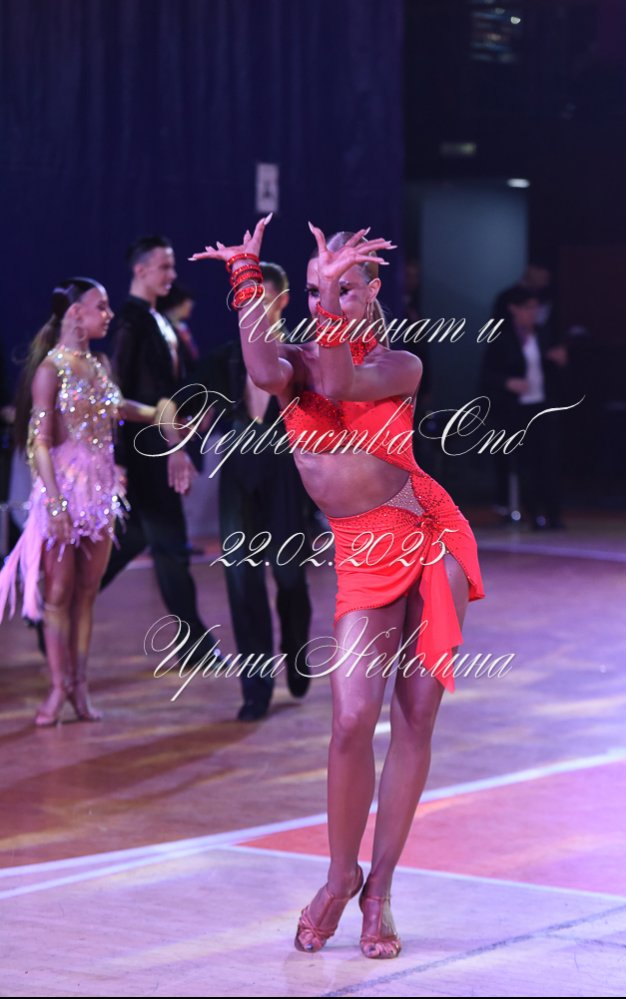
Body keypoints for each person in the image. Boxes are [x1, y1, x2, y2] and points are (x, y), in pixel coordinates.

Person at [190, 216, 485, 959]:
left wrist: (322, 299)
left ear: (372, 291)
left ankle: (378, 891)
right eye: (319, 289)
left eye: (345, 288)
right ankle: (339, 874)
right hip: (362, 552)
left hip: (426, 537)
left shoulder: (399, 364)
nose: (330, 299)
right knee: (352, 719)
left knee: (414, 717)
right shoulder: (295, 363)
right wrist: (246, 280)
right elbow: (262, 370)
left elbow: (343, 381)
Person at [0, 278, 170, 725]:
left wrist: (159, 414)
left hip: (99, 492)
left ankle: (80, 686)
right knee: (58, 593)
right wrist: (55, 505)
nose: (108, 315)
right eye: (101, 306)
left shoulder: (100, 364)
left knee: (87, 593)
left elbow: (118, 407)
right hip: (63, 491)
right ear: (75, 313)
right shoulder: (49, 370)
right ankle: (58, 687)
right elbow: (38, 443)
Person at [197, 261, 312, 721]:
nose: (252, 309)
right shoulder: (226, 357)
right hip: (238, 476)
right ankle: (256, 689)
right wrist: (174, 444)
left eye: (260, 299)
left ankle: (297, 650)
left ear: (282, 301)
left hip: (287, 475)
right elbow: (185, 406)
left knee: (289, 578)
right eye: (245, 300)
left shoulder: (302, 357)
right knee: (242, 582)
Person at [100, 236, 220, 664]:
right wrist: (123, 457)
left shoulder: (157, 320)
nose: (172, 275)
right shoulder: (130, 322)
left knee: (135, 539)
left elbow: (170, 388)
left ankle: (58, 605)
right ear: (141, 270)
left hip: (160, 445)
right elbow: (118, 396)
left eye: (172, 266)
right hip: (147, 452)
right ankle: (195, 645)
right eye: (164, 267)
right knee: (169, 545)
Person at [480, 285, 567, 529]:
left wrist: (557, 361)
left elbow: (550, 369)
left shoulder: (543, 335)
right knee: (525, 462)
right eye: (528, 308)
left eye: (535, 308)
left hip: (542, 406)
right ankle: (534, 513)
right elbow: (488, 375)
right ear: (514, 309)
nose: (533, 313)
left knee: (548, 460)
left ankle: (553, 514)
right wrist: (509, 382)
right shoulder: (502, 339)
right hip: (516, 411)